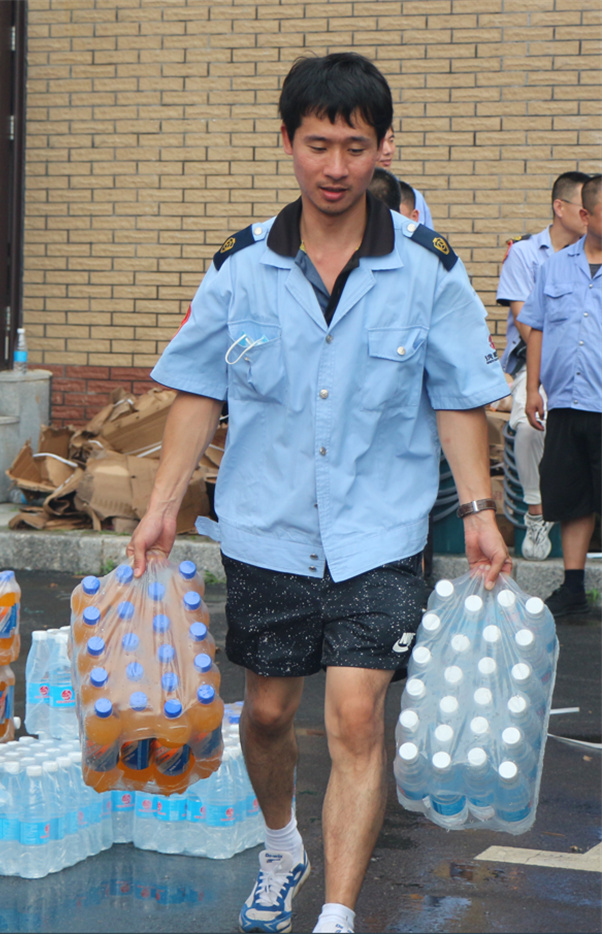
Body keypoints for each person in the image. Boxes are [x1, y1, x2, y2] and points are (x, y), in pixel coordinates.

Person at [128, 52, 511, 934]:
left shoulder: (429, 269)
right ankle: (280, 848)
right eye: (317, 145)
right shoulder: (241, 266)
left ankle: (336, 913)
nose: (336, 167)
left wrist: (480, 511)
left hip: (381, 530)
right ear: (288, 142)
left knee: (356, 713)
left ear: (384, 148)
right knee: (267, 714)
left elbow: (459, 398)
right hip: (267, 528)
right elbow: (198, 391)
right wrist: (161, 505)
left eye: (355, 147)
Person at [496, 171, 590, 560]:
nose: (589, 214)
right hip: (537, 364)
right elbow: (527, 324)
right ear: (560, 207)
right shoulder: (525, 254)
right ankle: (536, 512)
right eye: (584, 206)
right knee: (527, 426)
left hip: (589, 367)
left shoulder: (593, 255)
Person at [520, 174, 601, 617]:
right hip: (567, 402)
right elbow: (536, 328)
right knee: (573, 499)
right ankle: (573, 589)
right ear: (585, 215)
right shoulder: (554, 266)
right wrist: (532, 388)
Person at [378, 124, 433, 226]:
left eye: (391, 140)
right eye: (379, 143)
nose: (388, 150)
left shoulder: (412, 196)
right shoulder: (351, 195)